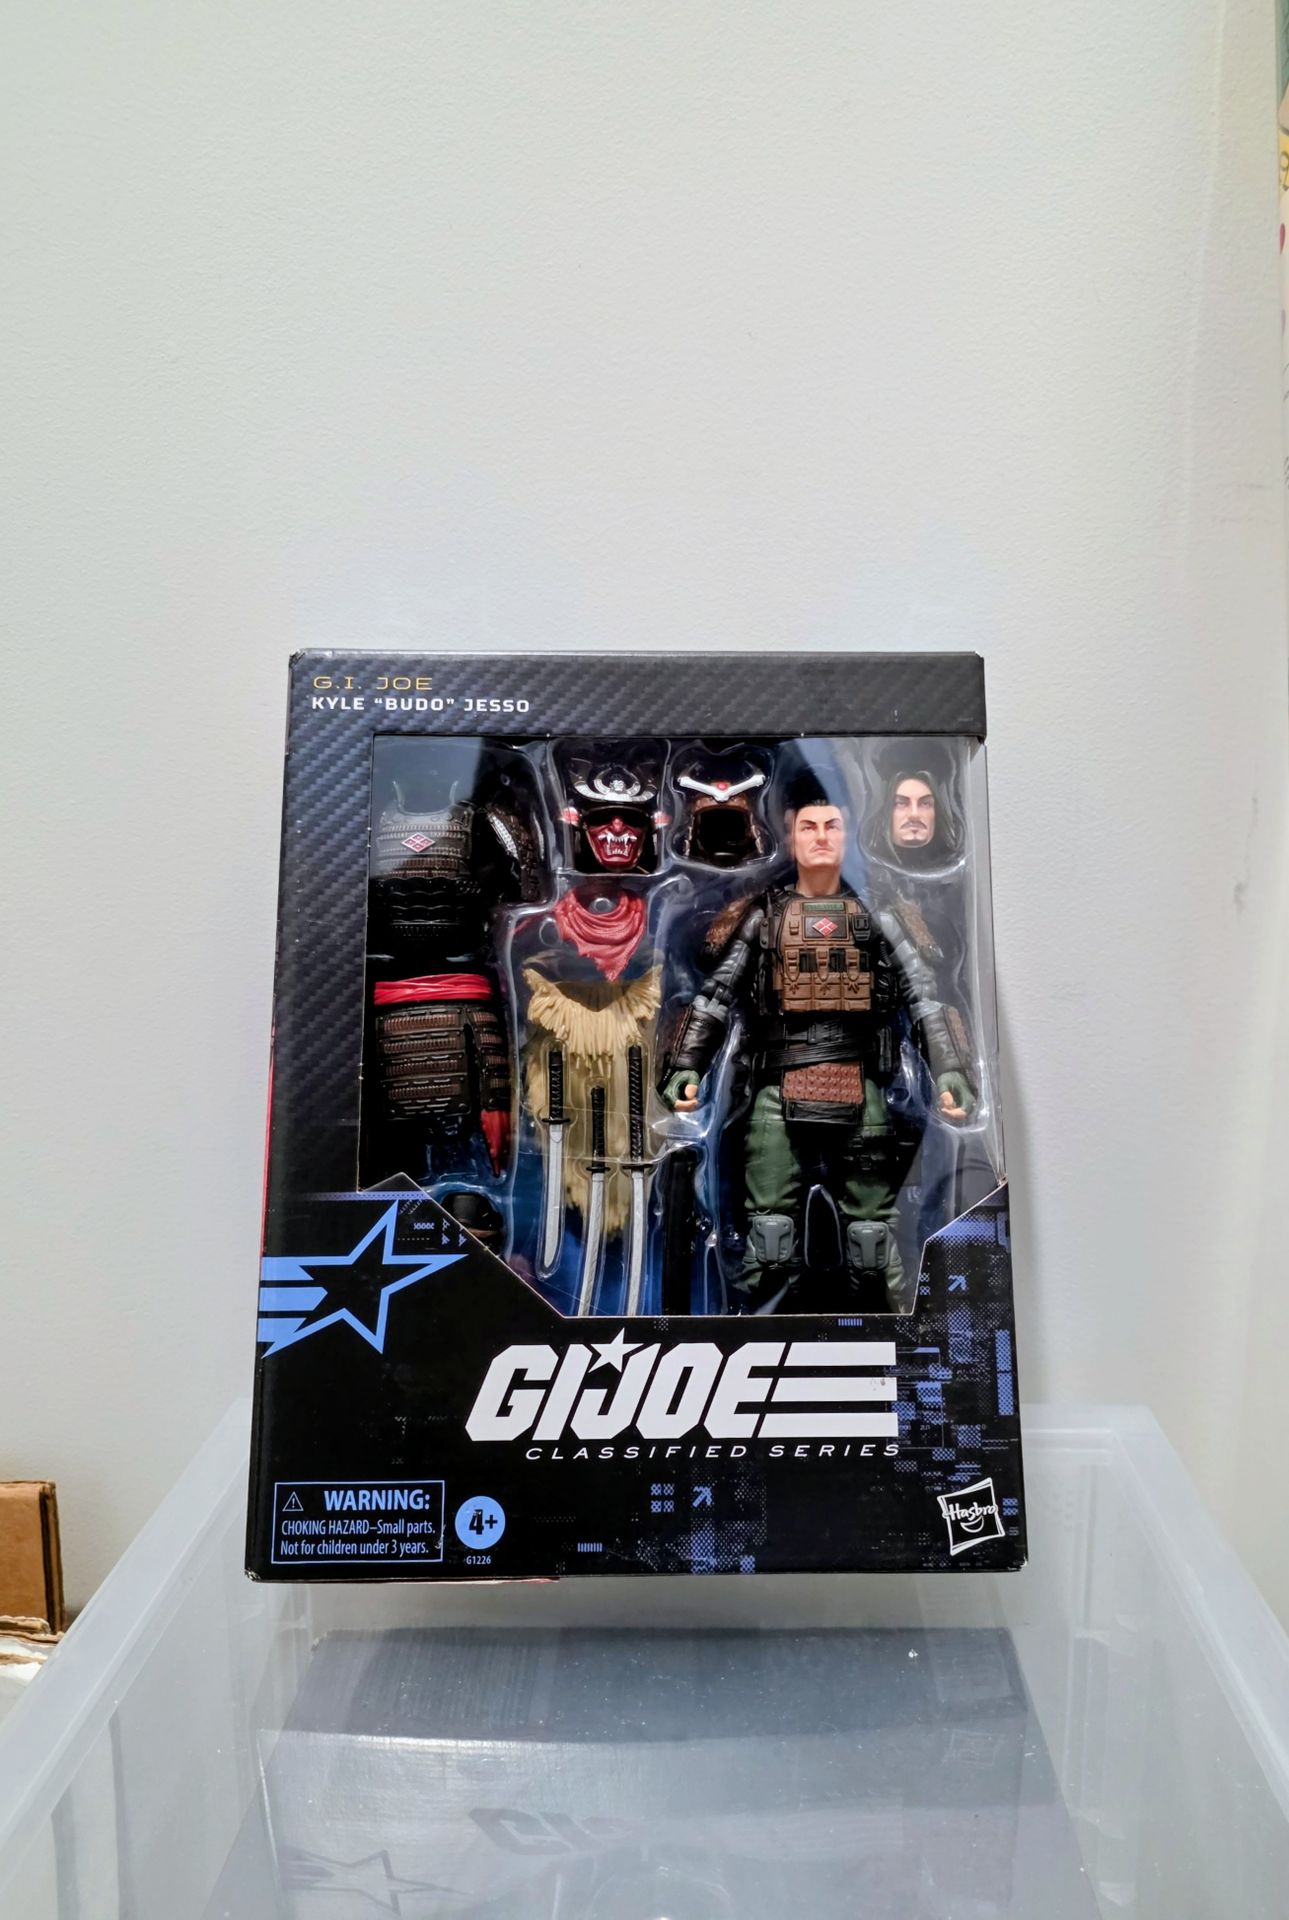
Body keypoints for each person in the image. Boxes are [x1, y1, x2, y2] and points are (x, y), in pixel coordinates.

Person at [659, 778, 973, 1312]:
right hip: (776, 1089)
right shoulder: (764, 916)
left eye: (832, 826)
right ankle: (758, 1334)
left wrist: (949, 1070)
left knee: (872, 1241)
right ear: (791, 837)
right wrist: (686, 1065)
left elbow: (922, 996)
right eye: (809, 827)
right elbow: (717, 994)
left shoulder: (879, 916)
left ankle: (891, 1334)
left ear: (848, 836)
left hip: (861, 1088)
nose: (821, 836)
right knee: (769, 1241)